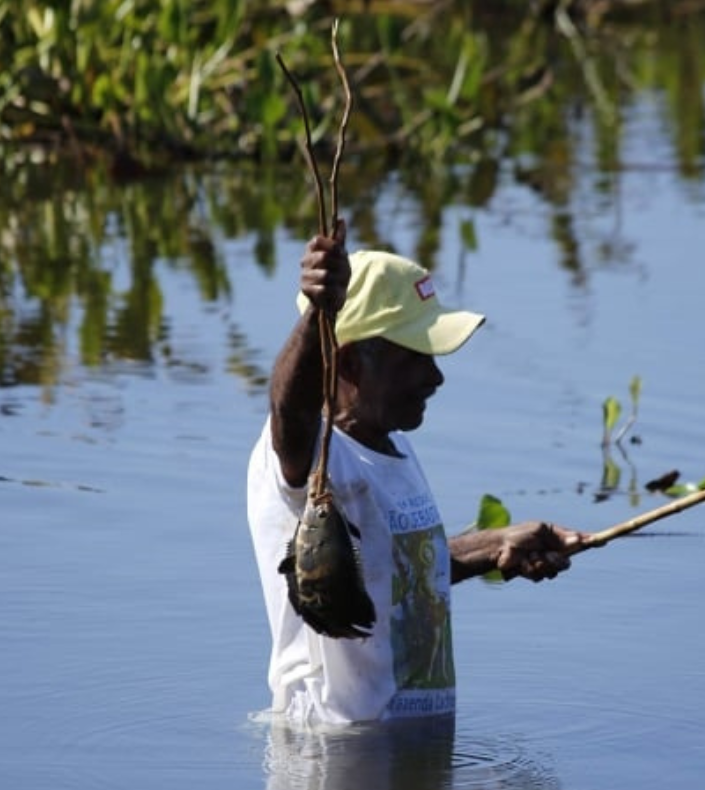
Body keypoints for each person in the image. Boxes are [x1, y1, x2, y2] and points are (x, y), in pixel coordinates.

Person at [247, 221, 583, 725]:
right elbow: (288, 412)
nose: (436, 376)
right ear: (352, 363)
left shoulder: (392, 445)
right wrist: (321, 308)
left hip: (406, 752)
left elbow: (394, 565)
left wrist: (493, 547)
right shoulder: (313, 458)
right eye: (416, 357)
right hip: (339, 761)